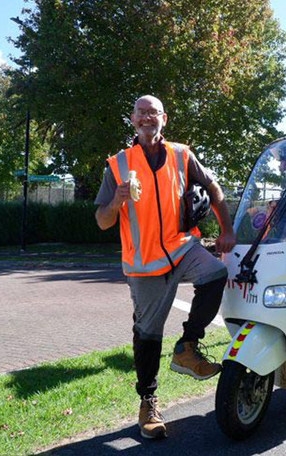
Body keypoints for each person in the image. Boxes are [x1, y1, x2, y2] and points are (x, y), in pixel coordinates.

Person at [95, 95, 236, 440]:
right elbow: (101, 221)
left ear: (164, 118)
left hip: (181, 247)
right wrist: (116, 201)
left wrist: (227, 230)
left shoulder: (181, 154)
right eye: (141, 112)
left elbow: (213, 187)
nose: (147, 117)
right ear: (132, 119)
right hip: (144, 265)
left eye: (153, 112)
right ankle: (148, 403)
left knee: (216, 273)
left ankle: (188, 346)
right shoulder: (117, 165)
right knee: (148, 336)